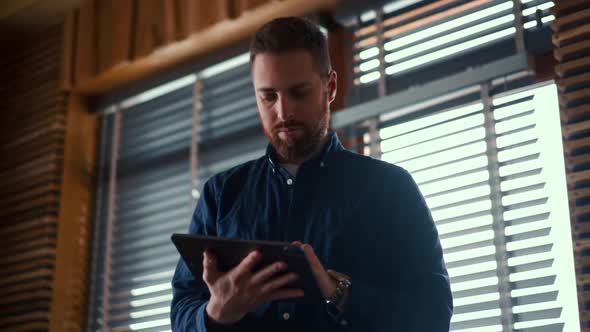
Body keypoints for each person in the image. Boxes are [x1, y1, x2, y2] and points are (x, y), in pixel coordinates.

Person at [171, 16, 453, 332]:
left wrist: (339, 293)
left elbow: (433, 313)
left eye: (299, 92)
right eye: (268, 96)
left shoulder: (390, 188)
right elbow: (182, 310)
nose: (283, 111)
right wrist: (215, 314)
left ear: (330, 87)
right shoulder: (220, 195)